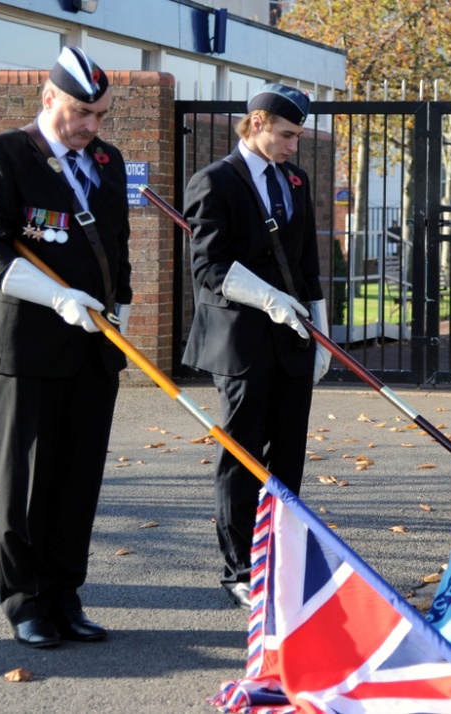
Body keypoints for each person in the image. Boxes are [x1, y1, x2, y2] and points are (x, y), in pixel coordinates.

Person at [0, 47, 132, 648]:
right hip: (25, 350)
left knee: (77, 481)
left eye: (101, 115)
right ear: (48, 98)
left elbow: (117, 247)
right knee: (28, 482)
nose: (92, 126)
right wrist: (57, 298)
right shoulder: (2, 156)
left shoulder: (107, 162)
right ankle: (26, 600)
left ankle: (64, 594)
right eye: (83, 112)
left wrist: (122, 310)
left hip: (92, 350)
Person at [182, 84, 330, 609]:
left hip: (291, 336)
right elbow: (208, 270)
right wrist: (268, 299)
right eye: (287, 135)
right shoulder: (214, 181)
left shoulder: (295, 178)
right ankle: (241, 567)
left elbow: (307, 261)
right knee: (243, 455)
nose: (294, 145)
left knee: (287, 455)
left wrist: (323, 328)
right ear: (259, 122)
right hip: (241, 340)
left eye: (298, 136)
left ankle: (281, 558)